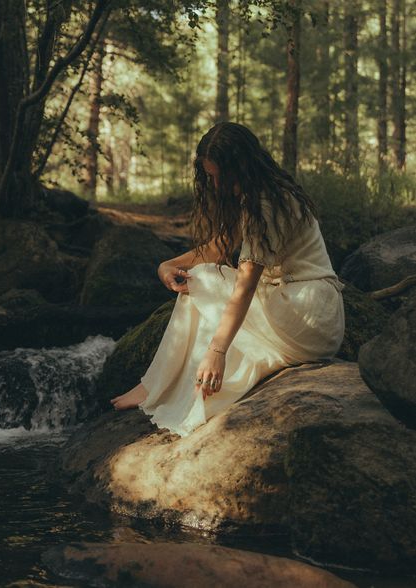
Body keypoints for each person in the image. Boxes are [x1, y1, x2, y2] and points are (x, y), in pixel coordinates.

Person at [110, 122, 345, 438]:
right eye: (210, 176)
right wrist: (168, 264)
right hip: (309, 313)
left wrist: (217, 352)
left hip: (307, 310)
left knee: (202, 279)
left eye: (220, 175)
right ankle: (154, 384)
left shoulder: (267, 203)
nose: (216, 184)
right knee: (198, 279)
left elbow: (245, 285)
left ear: (241, 168)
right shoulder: (260, 192)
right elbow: (221, 245)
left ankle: (152, 385)